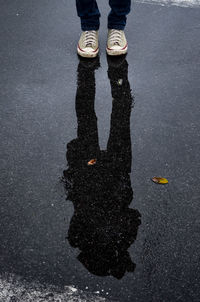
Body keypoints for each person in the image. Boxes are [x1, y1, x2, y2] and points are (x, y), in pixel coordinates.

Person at [63, 55, 141, 279]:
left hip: (116, 177)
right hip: (89, 179)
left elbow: (134, 215)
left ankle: (117, 77)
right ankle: (87, 75)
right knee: (87, 119)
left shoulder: (123, 240)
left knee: (119, 121)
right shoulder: (79, 239)